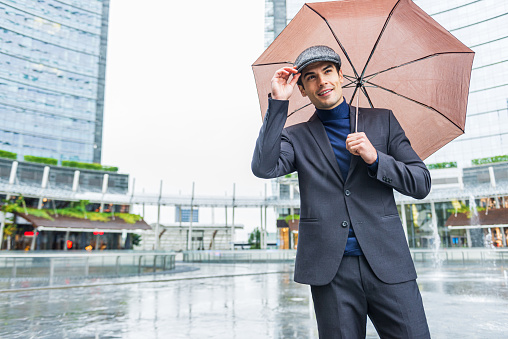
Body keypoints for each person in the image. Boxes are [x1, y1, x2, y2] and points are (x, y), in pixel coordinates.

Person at [252, 45, 431, 338]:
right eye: (310, 77)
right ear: (302, 90)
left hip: (388, 263)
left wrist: (376, 158)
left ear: (341, 75)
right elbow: (263, 167)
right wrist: (277, 105)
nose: (322, 81)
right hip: (330, 271)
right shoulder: (295, 136)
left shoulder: (382, 121)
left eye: (327, 72)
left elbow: (421, 183)